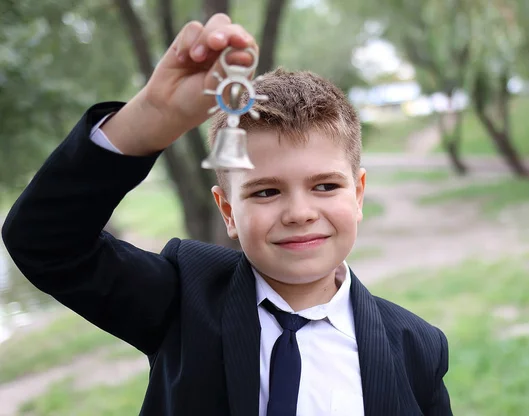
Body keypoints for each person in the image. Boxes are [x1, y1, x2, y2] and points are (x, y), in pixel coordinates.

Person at [1, 13, 452, 416]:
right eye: (266, 191)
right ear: (228, 211)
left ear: (357, 194)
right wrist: (150, 119)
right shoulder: (183, 299)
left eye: (325, 186)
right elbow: (43, 241)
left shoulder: (417, 347)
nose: (299, 213)